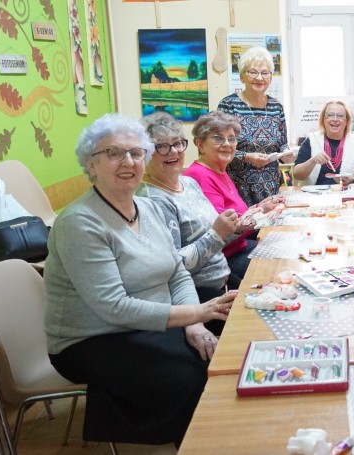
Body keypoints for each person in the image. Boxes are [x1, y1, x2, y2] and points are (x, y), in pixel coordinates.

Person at [44, 113, 235, 446]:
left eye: (136, 152)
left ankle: (217, 438)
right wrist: (198, 313)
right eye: (114, 153)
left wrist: (194, 324)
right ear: (91, 164)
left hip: (149, 321)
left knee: (228, 346)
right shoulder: (79, 223)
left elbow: (176, 271)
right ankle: (193, 444)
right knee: (189, 375)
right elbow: (114, 307)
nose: (128, 161)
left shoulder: (148, 208)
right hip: (92, 338)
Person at [139, 111, 241, 313]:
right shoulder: (153, 200)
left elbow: (216, 238)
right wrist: (218, 233)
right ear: (145, 153)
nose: (173, 152)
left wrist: (236, 227)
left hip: (223, 277)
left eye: (178, 143)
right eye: (161, 146)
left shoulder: (189, 183)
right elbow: (173, 266)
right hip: (195, 296)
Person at [184, 111, 283, 279]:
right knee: (280, 268)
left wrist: (261, 207)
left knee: (289, 249)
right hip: (224, 259)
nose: (227, 144)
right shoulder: (200, 175)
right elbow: (223, 232)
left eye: (231, 138)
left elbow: (238, 218)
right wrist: (259, 214)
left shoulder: (220, 170)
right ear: (200, 144)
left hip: (240, 247)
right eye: (217, 138)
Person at [218, 46, 291, 206]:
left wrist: (286, 153)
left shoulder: (276, 107)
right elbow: (219, 149)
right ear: (242, 76)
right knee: (246, 229)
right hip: (239, 189)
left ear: (271, 77)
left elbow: (282, 143)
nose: (260, 78)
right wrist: (247, 157)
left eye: (265, 73)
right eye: (253, 72)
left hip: (272, 189)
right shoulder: (229, 105)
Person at [293, 99, 354, 186]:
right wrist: (313, 161)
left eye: (340, 116)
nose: (335, 119)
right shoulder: (312, 140)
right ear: (323, 119)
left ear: (346, 121)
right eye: (330, 115)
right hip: (314, 196)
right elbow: (297, 175)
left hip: (345, 196)